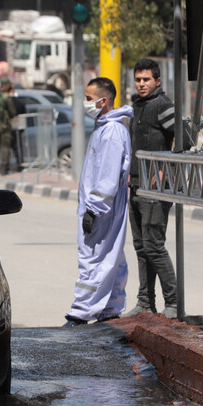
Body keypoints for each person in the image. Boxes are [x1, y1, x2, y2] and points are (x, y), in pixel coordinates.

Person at [64, 77, 134, 326]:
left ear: (103, 101)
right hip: (104, 208)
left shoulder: (112, 131)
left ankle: (80, 312)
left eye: (88, 98)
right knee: (111, 256)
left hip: (102, 210)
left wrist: (94, 210)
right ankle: (111, 308)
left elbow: (107, 175)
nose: (85, 103)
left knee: (92, 258)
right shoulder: (106, 127)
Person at [123, 58, 178, 319]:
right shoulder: (137, 106)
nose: (141, 84)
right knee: (141, 247)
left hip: (156, 190)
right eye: (138, 79)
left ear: (157, 81)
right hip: (135, 186)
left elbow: (184, 140)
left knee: (154, 245)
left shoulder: (163, 105)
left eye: (146, 79)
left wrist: (163, 168)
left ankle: (173, 304)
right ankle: (145, 302)